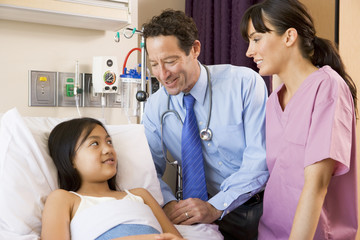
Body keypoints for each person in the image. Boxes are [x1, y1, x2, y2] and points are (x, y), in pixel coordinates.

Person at [142, 9, 269, 240]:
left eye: (170, 61)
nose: (162, 74)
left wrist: (215, 207)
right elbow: (148, 171)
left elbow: (259, 161)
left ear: (195, 49)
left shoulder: (244, 84)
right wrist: (169, 204)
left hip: (255, 207)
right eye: (154, 64)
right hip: (200, 212)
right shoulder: (155, 107)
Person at [240, 0, 358, 239]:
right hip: (271, 232)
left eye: (256, 39)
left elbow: (316, 186)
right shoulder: (273, 101)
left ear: (289, 36)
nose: (249, 52)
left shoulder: (327, 87)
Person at [41, 118, 184, 240]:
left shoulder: (140, 195)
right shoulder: (63, 199)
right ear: (70, 159)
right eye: (94, 144)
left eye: (109, 142)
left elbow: (176, 237)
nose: (108, 149)